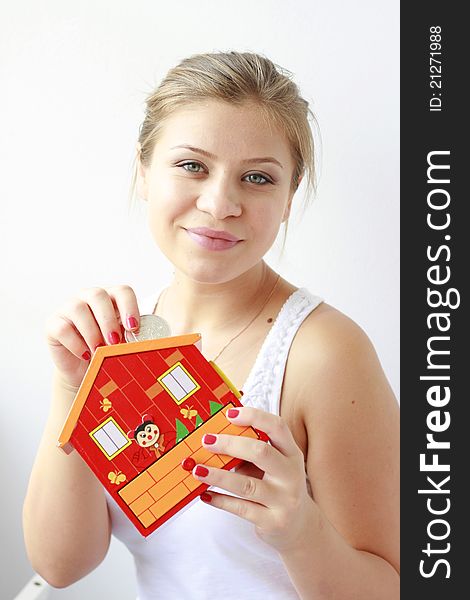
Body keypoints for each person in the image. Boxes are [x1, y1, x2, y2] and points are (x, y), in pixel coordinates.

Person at [23, 51, 399, 599]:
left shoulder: (324, 354)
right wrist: (72, 389)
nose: (221, 203)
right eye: (192, 165)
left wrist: (300, 533)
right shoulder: (119, 337)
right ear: (144, 171)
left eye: (257, 178)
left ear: (289, 198)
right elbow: (61, 565)